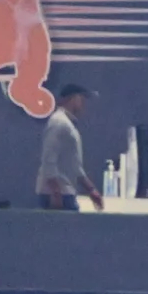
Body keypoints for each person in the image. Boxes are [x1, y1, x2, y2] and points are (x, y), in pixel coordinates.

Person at [36, 82, 100, 211]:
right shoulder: (59, 123)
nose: (84, 103)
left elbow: (75, 166)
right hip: (58, 195)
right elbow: (48, 159)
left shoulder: (66, 124)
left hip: (64, 193)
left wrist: (91, 189)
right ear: (73, 98)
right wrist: (56, 192)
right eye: (82, 98)